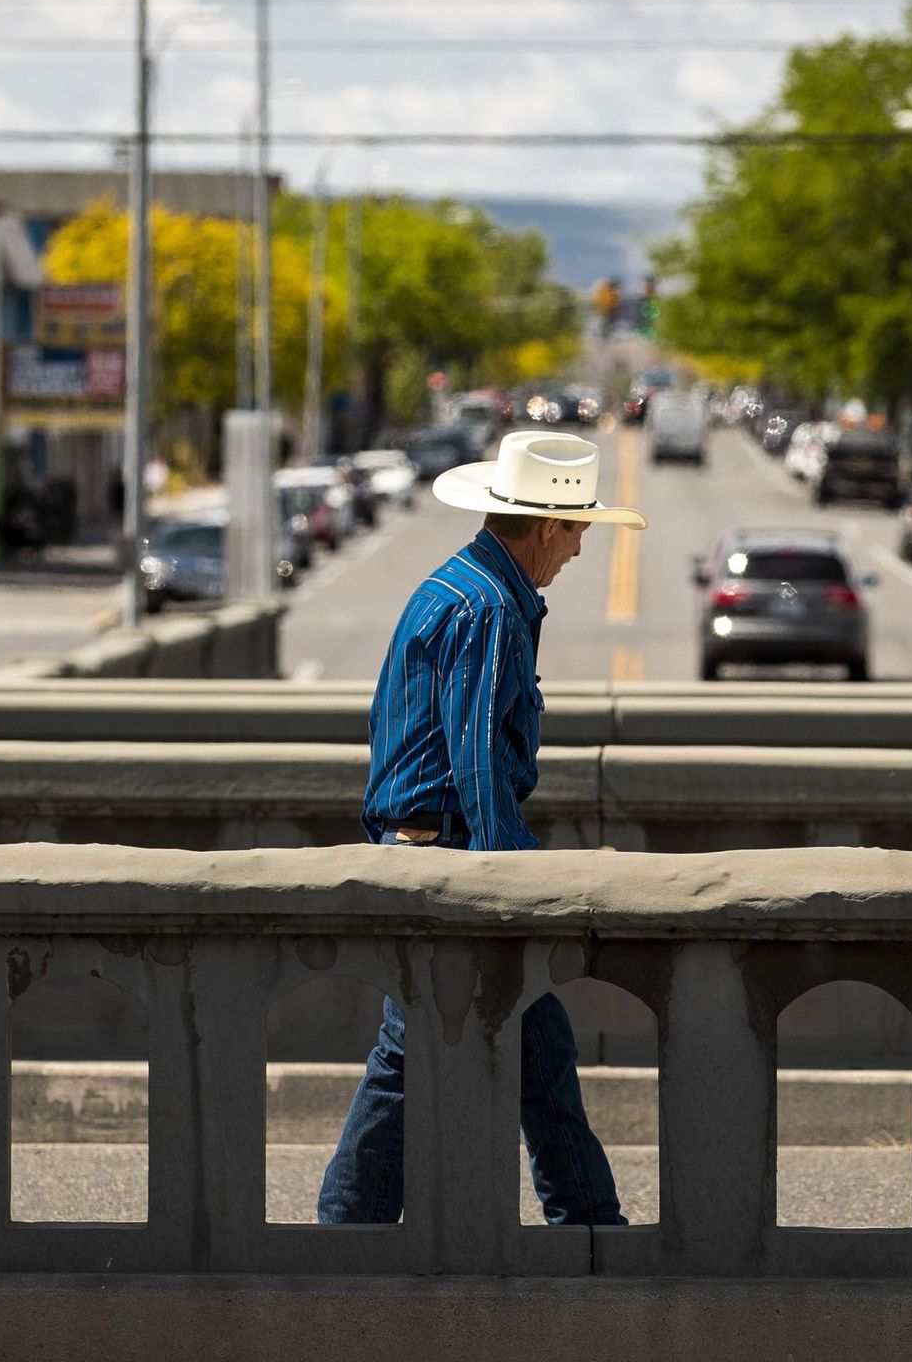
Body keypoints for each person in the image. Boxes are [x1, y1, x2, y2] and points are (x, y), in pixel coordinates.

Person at [317, 430, 648, 1227]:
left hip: (424, 851)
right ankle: (348, 1232)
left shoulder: (459, 586)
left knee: (522, 1058)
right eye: (578, 531)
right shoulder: (488, 608)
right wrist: (508, 885)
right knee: (412, 1063)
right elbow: (475, 763)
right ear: (544, 528)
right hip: (452, 860)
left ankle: (587, 1225)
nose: (579, 549)